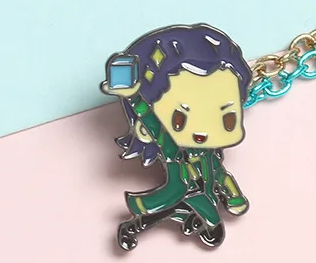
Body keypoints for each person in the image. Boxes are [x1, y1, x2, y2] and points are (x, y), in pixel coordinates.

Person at [101, 23, 252, 250]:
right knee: (199, 216)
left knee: (191, 212)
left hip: (199, 193)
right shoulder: (172, 149)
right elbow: (154, 124)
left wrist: (234, 195)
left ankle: (140, 226)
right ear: (141, 130)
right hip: (181, 191)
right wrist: (134, 98)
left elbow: (220, 173)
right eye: (180, 119)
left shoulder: (208, 156)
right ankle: (138, 226)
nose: (202, 131)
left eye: (227, 119)